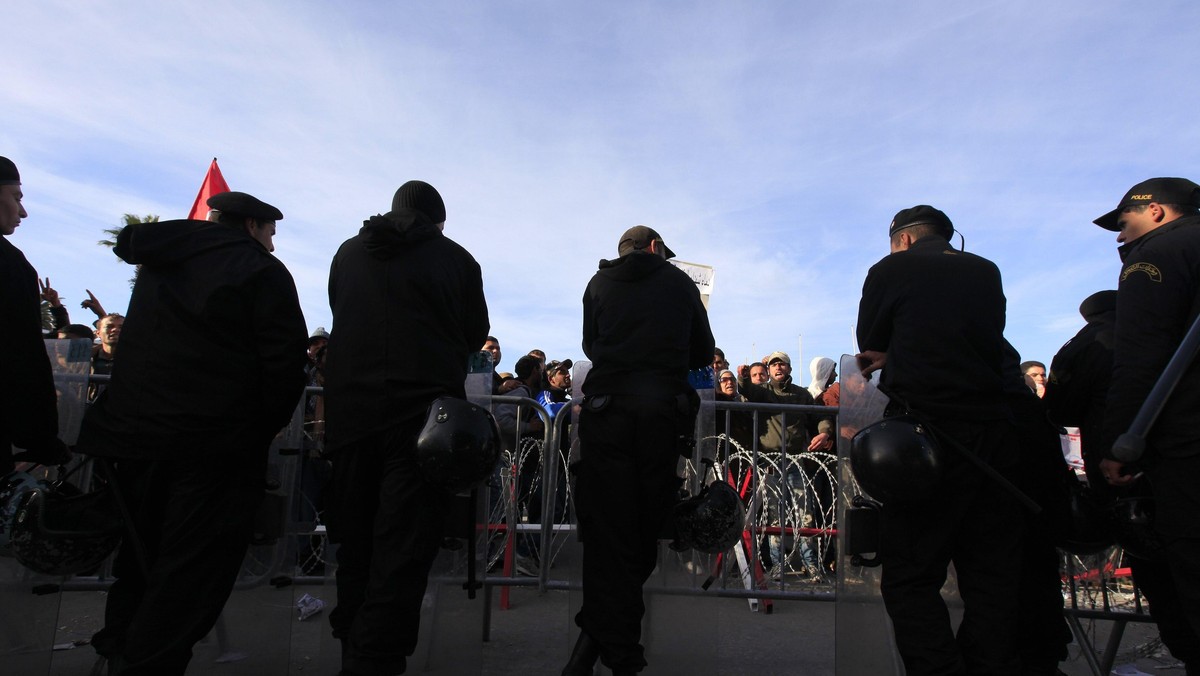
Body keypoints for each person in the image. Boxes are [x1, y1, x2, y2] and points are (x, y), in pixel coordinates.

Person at [76, 189, 308, 675]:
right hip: (212, 450)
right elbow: (283, 368)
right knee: (191, 572)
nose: (273, 243)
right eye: (271, 232)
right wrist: (256, 433)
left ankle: (118, 647)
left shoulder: (163, 261)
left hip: (132, 443)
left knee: (139, 559)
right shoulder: (262, 271)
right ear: (251, 226)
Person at [322, 180, 489, 676]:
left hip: (352, 420)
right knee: (403, 551)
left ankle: (352, 647)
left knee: (355, 543)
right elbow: (473, 332)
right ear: (439, 220)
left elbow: (340, 310)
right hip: (423, 426)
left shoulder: (349, 252)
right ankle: (375, 662)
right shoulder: (457, 260)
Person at [855, 204, 1023, 674]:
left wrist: (896, 351)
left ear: (903, 239)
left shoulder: (891, 268)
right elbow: (983, 339)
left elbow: (870, 339)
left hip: (922, 437)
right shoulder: (985, 270)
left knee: (909, 575)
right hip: (992, 434)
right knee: (989, 575)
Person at [563, 225, 714, 676]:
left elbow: (591, 345)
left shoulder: (598, 282)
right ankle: (620, 654)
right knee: (645, 530)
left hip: (606, 412)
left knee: (609, 533)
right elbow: (702, 350)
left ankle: (592, 650)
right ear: (654, 248)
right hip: (658, 415)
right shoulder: (678, 283)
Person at [1094, 177, 1200, 653]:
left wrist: (1121, 439)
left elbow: (1141, 354)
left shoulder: (1156, 254)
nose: (1120, 236)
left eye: (1124, 222)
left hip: (1187, 441)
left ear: (1155, 212)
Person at [0, 156, 70, 474]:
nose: (23, 211)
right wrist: (40, 436)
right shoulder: (10, 265)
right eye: (16, 197)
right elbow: (20, 353)